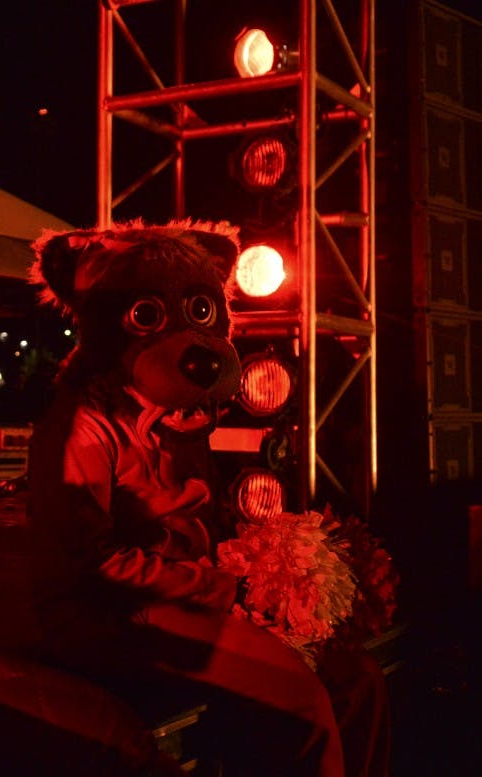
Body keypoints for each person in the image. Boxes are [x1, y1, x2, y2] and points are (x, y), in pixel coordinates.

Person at [26, 220, 389, 777]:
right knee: (297, 697)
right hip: (109, 616)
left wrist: (274, 570)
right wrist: (229, 587)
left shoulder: (182, 415)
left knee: (356, 679)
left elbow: (197, 522)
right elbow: (87, 564)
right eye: (148, 316)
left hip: (193, 594)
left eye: (199, 312)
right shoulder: (82, 425)